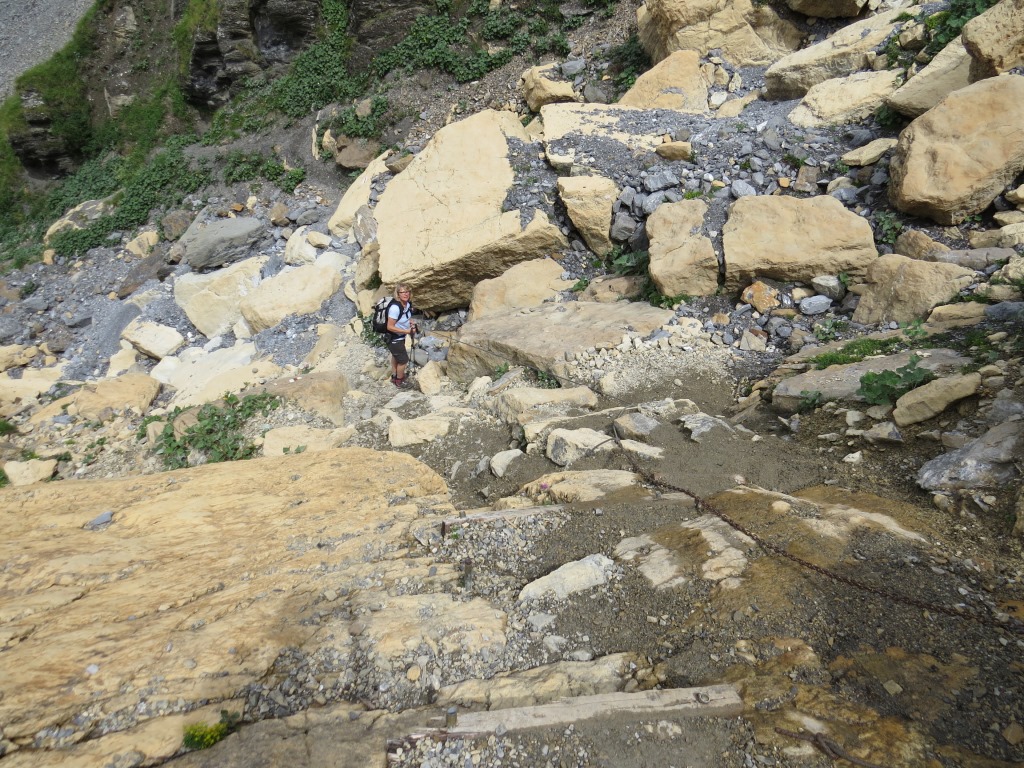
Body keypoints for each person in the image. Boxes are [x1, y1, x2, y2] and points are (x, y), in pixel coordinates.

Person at [386, 283, 417, 388]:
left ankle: (394, 376)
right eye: (402, 292)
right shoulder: (395, 308)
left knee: (396, 356)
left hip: (400, 337)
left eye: (407, 291)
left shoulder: (407, 304)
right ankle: (400, 381)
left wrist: (411, 323)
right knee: (403, 360)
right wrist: (407, 331)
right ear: (398, 294)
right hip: (394, 338)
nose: (405, 294)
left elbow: (406, 317)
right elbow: (389, 327)